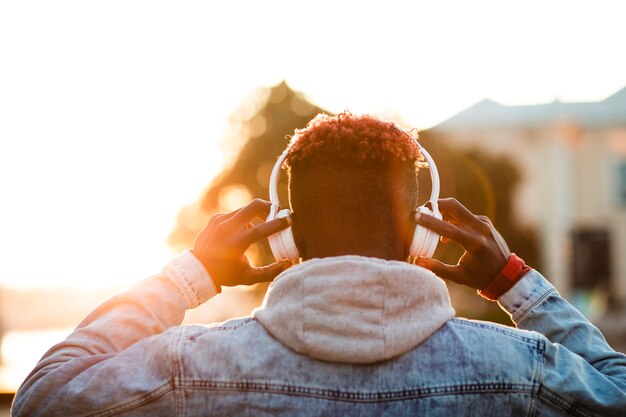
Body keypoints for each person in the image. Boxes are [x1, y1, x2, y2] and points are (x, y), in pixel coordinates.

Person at [11, 113, 626, 416]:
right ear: (423, 230)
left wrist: (191, 274)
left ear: (286, 236)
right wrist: (516, 283)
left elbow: (42, 399)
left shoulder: (188, 366)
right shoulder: (519, 369)